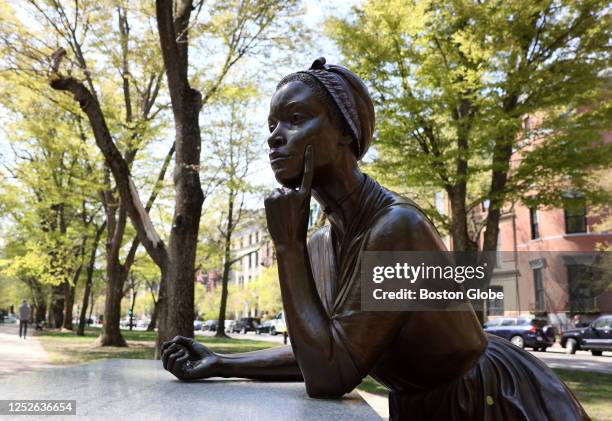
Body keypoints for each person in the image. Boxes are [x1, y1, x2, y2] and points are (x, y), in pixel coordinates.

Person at [162, 58, 589, 420]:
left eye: (295, 119)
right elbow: (322, 353)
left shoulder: (397, 227)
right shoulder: (321, 244)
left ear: (345, 130)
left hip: (485, 403)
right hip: (421, 403)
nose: (275, 136)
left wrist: (285, 244)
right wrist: (221, 361)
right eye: (272, 125)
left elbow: (332, 375)